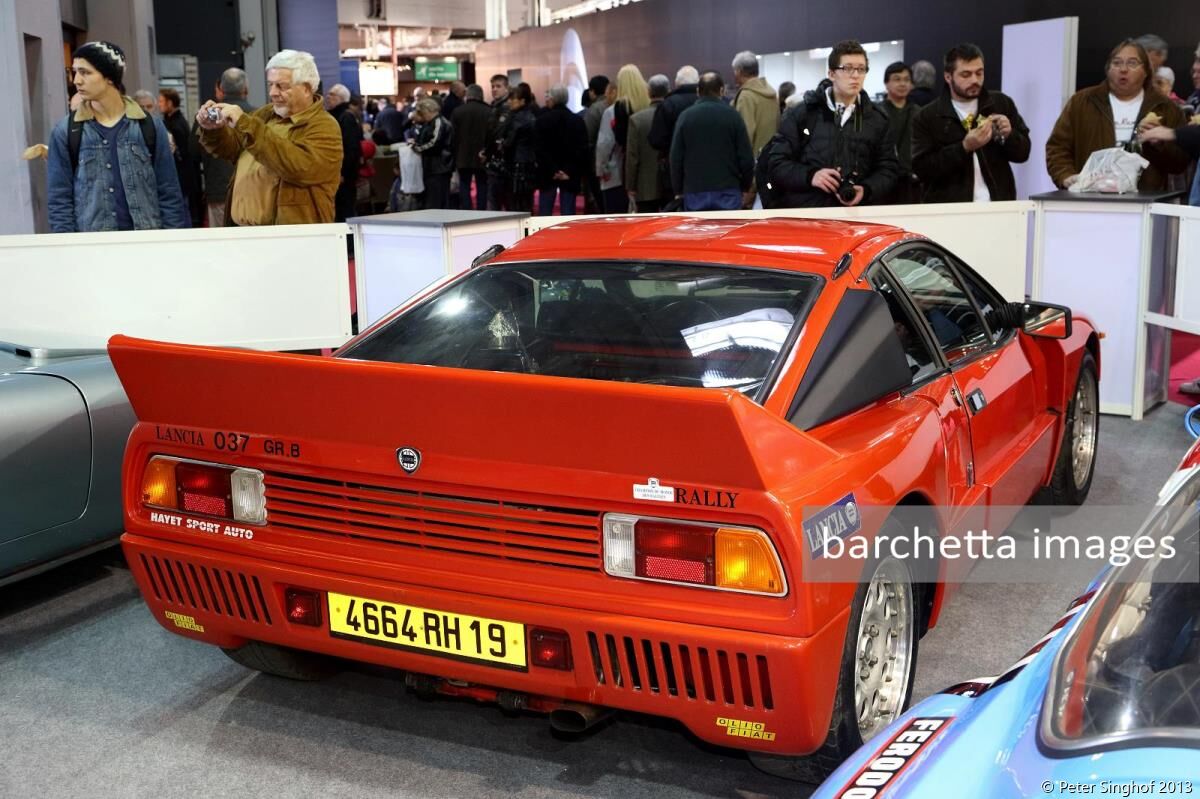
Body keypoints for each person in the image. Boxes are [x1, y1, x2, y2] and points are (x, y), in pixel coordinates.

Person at [48, 41, 187, 232]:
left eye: (85, 72)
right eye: (75, 72)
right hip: (94, 250)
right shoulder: (66, 131)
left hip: (145, 245)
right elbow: (59, 200)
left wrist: (171, 243)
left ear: (109, 78)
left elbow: (169, 192)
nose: (76, 80)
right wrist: (67, 250)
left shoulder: (149, 126)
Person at [196, 49, 342, 225]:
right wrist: (213, 130)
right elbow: (232, 150)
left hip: (294, 240)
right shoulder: (266, 114)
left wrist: (246, 124)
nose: (273, 92)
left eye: (281, 86)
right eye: (270, 84)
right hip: (245, 234)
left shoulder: (324, 126)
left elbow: (298, 167)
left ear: (306, 88)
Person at [765, 40, 898, 208]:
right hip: (809, 213)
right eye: (848, 68)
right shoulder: (802, 114)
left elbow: (889, 169)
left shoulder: (877, 119)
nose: (856, 75)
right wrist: (810, 176)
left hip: (857, 216)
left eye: (861, 69)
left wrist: (867, 189)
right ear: (831, 74)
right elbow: (777, 163)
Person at [1046, 39, 1188, 192]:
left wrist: (1159, 145)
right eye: (1117, 63)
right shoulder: (1082, 102)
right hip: (1090, 200)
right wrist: (1066, 175)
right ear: (1108, 69)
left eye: (1132, 63)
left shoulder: (1166, 108)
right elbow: (1057, 147)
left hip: (1145, 202)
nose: (1123, 69)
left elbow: (1180, 163)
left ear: (1146, 71)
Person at [911, 43, 1030, 203]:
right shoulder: (927, 116)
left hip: (999, 204)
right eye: (966, 75)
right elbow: (922, 169)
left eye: (979, 73)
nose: (975, 80)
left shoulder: (1001, 103)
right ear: (948, 77)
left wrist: (1009, 135)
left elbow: (1023, 153)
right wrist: (964, 147)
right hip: (950, 211)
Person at [669, 70, 754, 211]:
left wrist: (678, 190)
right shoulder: (733, 116)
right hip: (729, 190)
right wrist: (745, 186)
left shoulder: (685, 117)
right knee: (728, 231)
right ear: (722, 90)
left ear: (698, 91)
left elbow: (676, 157)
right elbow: (745, 157)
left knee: (699, 233)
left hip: (694, 191)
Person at [192, 68, 252, 227]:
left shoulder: (206, 118)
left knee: (222, 246)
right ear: (246, 90)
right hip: (251, 194)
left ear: (221, 89)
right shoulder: (258, 116)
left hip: (218, 193)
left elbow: (192, 155)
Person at [596, 65, 650, 213]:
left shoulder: (613, 111)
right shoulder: (649, 108)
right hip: (647, 172)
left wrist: (600, 169)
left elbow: (604, 144)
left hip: (617, 172)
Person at [534, 83, 588, 215]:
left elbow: (539, 149)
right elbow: (581, 149)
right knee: (567, 217)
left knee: (544, 217)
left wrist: (553, 170)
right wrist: (567, 171)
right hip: (570, 175)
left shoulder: (541, 121)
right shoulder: (577, 120)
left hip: (547, 174)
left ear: (552, 99)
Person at [625, 73, 671, 212]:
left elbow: (632, 157)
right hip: (670, 184)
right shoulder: (676, 115)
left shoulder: (636, 120)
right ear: (668, 90)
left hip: (645, 186)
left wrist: (631, 186)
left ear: (649, 92)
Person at [878, 61, 919, 203]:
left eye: (907, 80)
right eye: (897, 79)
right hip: (884, 182)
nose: (902, 84)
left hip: (912, 182)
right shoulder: (876, 113)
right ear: (886, 83)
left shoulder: (919, 113)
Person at [325, 84, 362, 222]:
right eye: (328, 94)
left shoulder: (346, 117)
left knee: (344, 211)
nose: (328, 97)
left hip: (343, 176)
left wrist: (343, 173)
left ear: (342, 98)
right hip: (336, 174)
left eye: (332, 95)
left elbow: (350, 148)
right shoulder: (334, 116)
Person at [452, 84, 492, 210]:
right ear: (481, 95)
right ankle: (481, 212)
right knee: (482, 185)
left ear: (467, 95)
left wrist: (454, 156)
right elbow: (492, 135)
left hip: (462, 156)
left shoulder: (457, 111)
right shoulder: (489, 111)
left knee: (464, 185)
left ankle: (467, 212)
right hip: (483, 155)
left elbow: (453, 137)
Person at [499, 83, 537, 212]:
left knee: (515, 201)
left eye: (512, 99)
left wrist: (501, 144)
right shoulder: (531, 115)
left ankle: (520, 231)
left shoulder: (517, 118)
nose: (509, 102)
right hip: (529, 161)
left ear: (522, 101)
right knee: (526, 201)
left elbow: (509, 142)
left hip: (517, 163)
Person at [411, 97, 454, 210]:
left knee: (436, 202)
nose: (421, 116)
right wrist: (417, 143)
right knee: (434, 201)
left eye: (421, 113)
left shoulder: (439, 122)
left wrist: (417, 148)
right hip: (433, 167)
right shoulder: (431, 122)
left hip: (439, 167)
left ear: (427, 110)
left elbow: (435, 143)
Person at [649, 66, 699, 155]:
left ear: (676, 83)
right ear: (698, 82)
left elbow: (656, 140)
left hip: (674, 161)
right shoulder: (707, 101)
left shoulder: (668, 104)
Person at [581, 75, 611, 213]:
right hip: (616, 160)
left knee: (601, 201)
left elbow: (587, 138)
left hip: (597, 162)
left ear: (592, 92)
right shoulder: (613, 104)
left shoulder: (594, 109)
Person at [484, 74, 512, 210]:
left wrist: (487, 152)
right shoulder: (495, 106)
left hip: (504, 162)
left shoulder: (507, 107)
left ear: (506, 88)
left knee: (502, 203)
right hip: (494, 162)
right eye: (493, 86)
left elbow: (498, 134)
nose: (494, 89)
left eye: (498, 86)